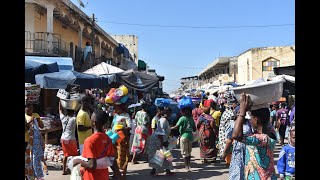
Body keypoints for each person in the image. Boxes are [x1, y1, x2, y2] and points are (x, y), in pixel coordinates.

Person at [232, 93, 277, 180]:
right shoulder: (272, 133)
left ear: (256, 120)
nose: (250, 120)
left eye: (251, 118)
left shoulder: (260, 139)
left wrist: (242, 112)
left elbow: (236, 135)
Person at [74, 110, 114, 180]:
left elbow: (91, 165)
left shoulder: (89, 141)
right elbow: (112, 161)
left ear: (93, 122)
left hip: (91, 177)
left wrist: (78, 161)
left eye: (91, 118)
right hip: (104, 176)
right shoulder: (108, 139)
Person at [146, 107, 175, 176]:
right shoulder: (163, 120)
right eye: (169, 113)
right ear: (166, 113)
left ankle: (167, 170)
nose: (170, 115)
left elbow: (165, 130)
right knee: (161, 155)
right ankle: (154, 171)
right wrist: (163, 143)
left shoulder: (164, 120)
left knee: (166, 155)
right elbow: (160, 133)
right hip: (158, 140)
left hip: (161, 140)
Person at [171, 107, 196, 172]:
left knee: (184, 153)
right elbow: (194, 129)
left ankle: (186, 166)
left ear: (183, 112)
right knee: (189, 152)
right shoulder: (191, 119)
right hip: (190, 137)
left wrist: (169, 128)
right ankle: (189, 165)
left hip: (183, 137)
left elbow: (176, 127)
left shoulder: (182, 118)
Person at [111, 104, 132, 179]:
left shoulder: (125, 115)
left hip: (123, 139)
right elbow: (113, 126)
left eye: (116, 108)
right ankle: (116, 173)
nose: (114, 110)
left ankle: (123, 174)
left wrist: (122, 129)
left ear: (120, 108)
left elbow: (129, 126)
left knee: (123, 156)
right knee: (115, 155)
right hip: (114, 138)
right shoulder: (115, 115)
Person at [25, 103, 45, 180]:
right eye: (28, 108)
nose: (30, 110)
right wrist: (29, 121)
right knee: (28, 161)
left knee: (35, 160)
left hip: (35, 143)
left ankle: (35, 176)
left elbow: (42, 126)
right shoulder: (25, 117)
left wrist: (39, 121)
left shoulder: (36, 115)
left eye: (31, 108)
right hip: (26, 142)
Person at [59, 101, 78, 175]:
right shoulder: (74, 119)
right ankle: (74, 170)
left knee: (65, 155)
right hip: (71, 139)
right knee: (75, 155)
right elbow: (77, 112)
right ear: (73, 112)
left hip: (63, 139)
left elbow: (60, 110)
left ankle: (64, 170)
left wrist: (60, 101)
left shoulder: (63, 118)